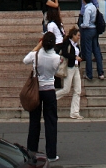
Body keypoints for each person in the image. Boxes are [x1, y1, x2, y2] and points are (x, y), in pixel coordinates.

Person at [23, 32, 60, 163]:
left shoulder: (35, 55)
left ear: (42, 42)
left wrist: (37, 47)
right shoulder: (56, 58)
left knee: (34, 121)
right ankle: (51, 153)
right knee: (51, 122)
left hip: (36, 91)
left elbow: (25, 60)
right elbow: (55, 72)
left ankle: (31, 150)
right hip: (49, 90)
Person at [56, 27, 83, 119]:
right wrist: (75, 57)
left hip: (76, 67)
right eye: (78, 35)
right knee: (66, 89)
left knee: (78, 90)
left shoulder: (77, 45)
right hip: (69, 67)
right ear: (73, 35)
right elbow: (64, 53)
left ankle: (75, 112)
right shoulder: (67, 43)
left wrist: (79, 58)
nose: (79, 37)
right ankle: (51, 98)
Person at [80, 0, 104, 81]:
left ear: (84, 0)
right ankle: (100, 72)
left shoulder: (87, 9)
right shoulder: (94, 7)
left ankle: (89, 74)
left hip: (88, 30)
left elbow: (86, 23)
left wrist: (81, 25)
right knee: (96, 51)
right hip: (95, 29)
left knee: (88, 52)